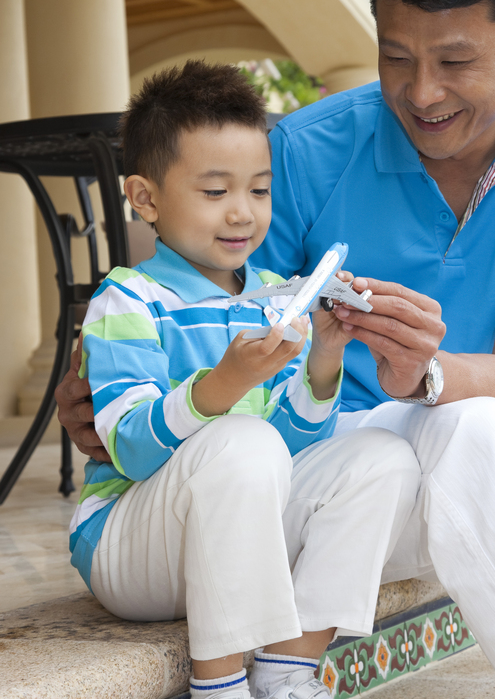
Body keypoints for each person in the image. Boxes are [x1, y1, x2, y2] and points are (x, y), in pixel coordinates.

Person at [58, 0, 495, 699]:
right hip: (330, 479)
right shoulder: (303, 152)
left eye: (454, 61)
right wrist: (116, 398)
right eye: (395, 57)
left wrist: (423, 372)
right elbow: (201, 326)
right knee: (474, 423)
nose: (421, 93)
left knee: (491, 417)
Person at [69, 60, 421, 699]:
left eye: (258, 190)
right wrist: (223, 386)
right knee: (240, 441)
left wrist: (323, 361)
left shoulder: (273, 299)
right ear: (146, 198)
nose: (242, 213)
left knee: (382, 457)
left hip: (235, 536)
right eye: (214, 192)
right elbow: (128, 445)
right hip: (132, 547)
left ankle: (289, 670)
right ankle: (220, 684)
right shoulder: (128, 300)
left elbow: (290, 452)